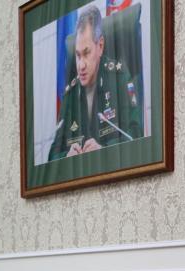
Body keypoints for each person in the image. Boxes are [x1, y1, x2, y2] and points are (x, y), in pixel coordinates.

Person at [48, 5, 142, 161]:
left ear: (100, 46)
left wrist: (104, 150)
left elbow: (136, 135)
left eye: (86, 53)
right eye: (78, 55)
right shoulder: (70, 94)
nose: (81, 65)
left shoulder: (119, 77)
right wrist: (67, 157)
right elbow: (51, 157)